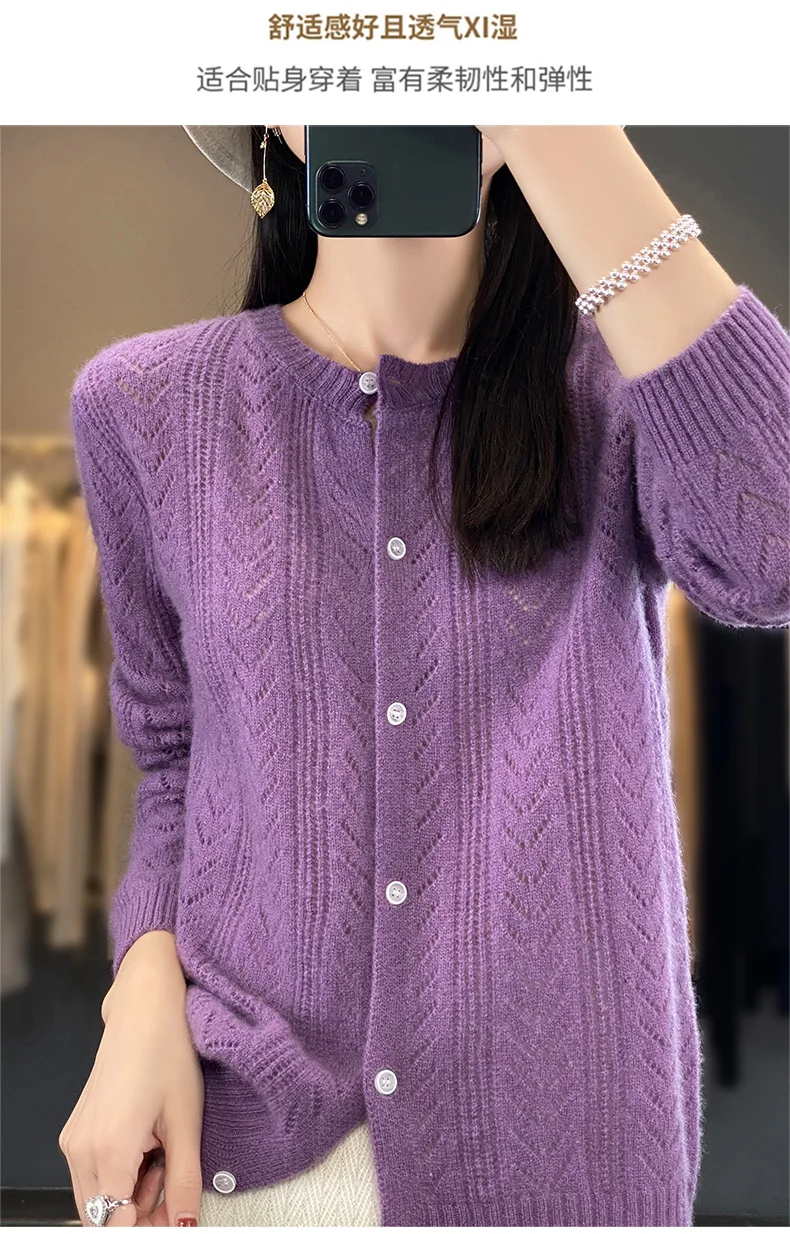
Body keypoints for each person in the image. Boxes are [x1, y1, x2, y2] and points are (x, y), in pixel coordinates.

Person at [60, 125, 789, 1228]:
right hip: (244, 1154)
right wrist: (141, 992)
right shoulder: (145, 404)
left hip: (569, 1153)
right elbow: (174, 755)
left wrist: (551, 121)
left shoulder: (628, 386)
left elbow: (770, 555)